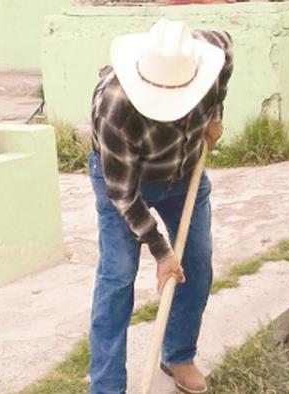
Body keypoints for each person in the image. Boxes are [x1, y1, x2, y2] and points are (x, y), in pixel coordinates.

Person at [87, 18, 233, 394]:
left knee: (197, 262)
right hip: (125, 181)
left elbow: (227, 51)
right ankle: (106, 386)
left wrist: (214, 116)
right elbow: (122, 196)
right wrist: (161, 251)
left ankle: (179, 355)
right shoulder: (116, 107)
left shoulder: (207, 56)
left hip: (185, 175)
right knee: (118, 276)